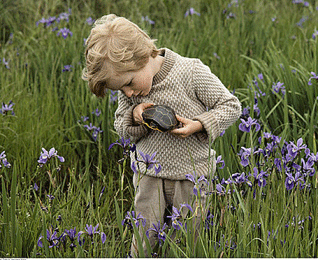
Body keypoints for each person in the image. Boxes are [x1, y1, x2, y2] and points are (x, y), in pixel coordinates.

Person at [82, 14, 241, 256]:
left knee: (186, 243)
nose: (128, 92)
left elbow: (230, 106)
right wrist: (135, 116)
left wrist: (199, 124)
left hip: (191, 178)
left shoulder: (190, 71)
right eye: (121, 89)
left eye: (129, 83)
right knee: (143, 240)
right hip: (149, 178)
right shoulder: (129, 91)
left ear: (144, 56)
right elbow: (122, 129)